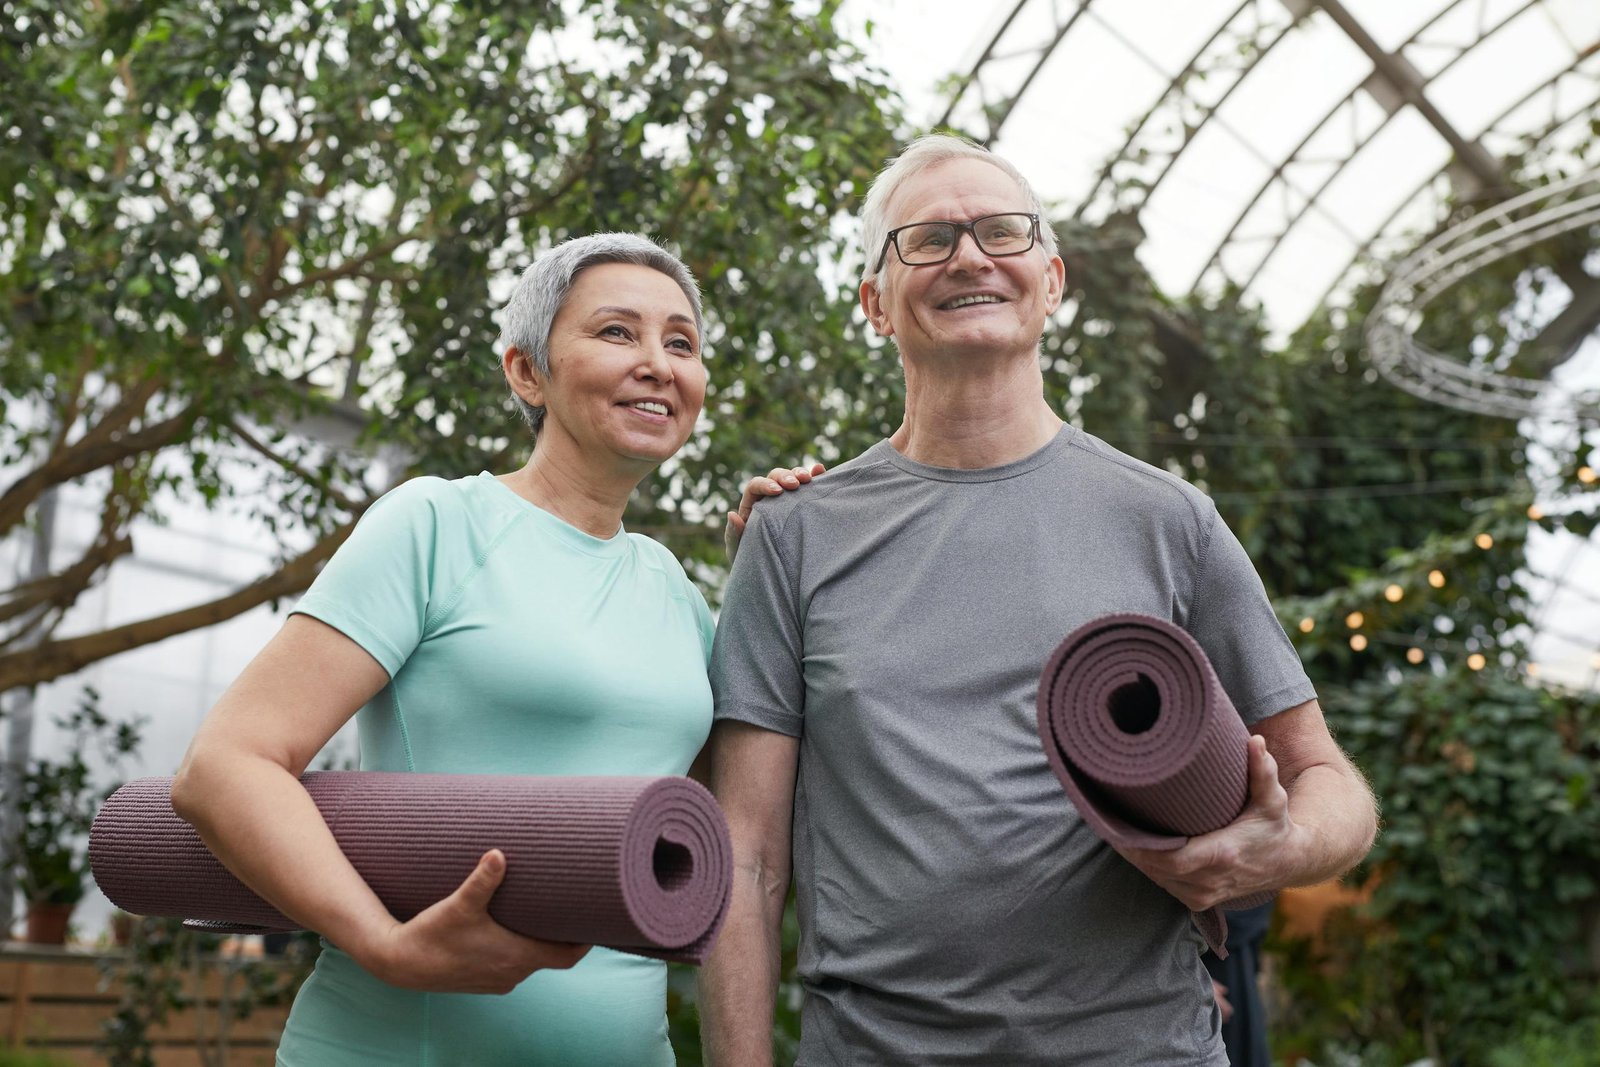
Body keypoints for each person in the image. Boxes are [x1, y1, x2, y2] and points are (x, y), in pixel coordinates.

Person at [698, 136, 1379, 1066]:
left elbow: (1332, 785)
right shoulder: (793, 534)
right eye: (928, 239)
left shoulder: (1169, 519)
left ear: (1050, 280)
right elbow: (745, 858)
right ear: (874, 305)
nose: (971, 256)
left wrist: (1270, 849)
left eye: (1002, 232)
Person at [171, 232, 814, 1065]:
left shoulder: (673, 589)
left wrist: (776, 574)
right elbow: (224, 765)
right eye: (617, 332)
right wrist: (381, 942)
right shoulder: (437, 525)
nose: (658, 362)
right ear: (526, 372)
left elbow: (726, 830)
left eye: (681, 342)